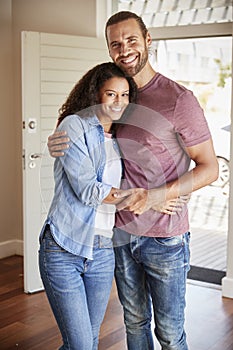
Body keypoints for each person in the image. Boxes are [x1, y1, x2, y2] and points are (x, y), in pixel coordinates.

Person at [47, 11, 219, 350]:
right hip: (120, 235)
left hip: (165, 238)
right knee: (134, 324)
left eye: (131, 40)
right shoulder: (114, 96)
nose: (124, 49)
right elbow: (86, 140)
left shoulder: (178, 100)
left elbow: (209, 167)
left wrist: (157, 195)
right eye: (115, 44)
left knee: (170, 333)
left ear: (147, 40)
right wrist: (56, 140)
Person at [39, 62, 139, 350]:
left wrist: (167, 194)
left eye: (124, 95)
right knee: (81, 345)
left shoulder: (121, 137)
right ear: (95, 94)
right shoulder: (75, 125)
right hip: (63, 247)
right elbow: (87, 190)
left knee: (86, 342)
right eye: (111, 94)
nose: (119, 102)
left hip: (103, 250)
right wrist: (137, 195)